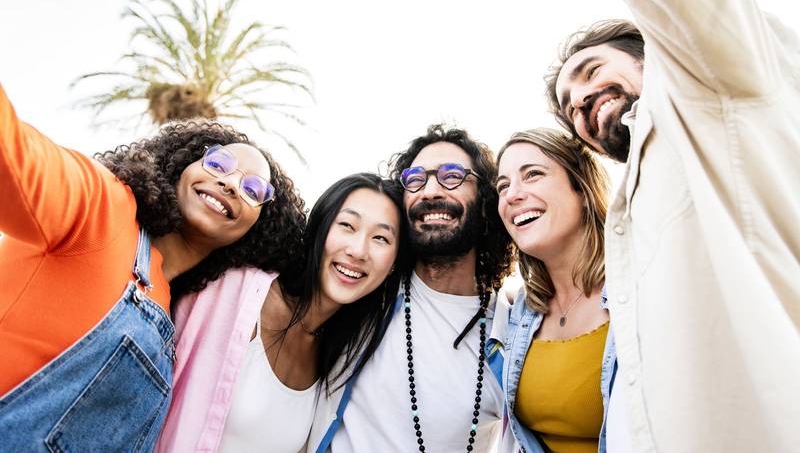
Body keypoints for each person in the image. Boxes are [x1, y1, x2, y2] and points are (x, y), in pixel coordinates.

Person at [546, 0, 800, 451]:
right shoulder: (635, 207)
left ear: (652, 52)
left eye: (592, 71)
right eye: (571, 108)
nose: (582, 103)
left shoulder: (711, 84)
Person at [0, 84, 305, 451]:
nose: (230, 183)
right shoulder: (101, 208)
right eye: (218, 163)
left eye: (253, 190)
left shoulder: (171, 317)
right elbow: (12, 150)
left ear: (257, 230)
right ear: (181, 164)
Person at [156, 173, 410, 453]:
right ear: (320, 228)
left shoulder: (341, 360)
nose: (358, 250)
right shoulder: (233, 290)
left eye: (381, 238)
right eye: (347, 225)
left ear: (394, 263)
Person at [308, 124, 514, 453]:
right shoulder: (366, 291)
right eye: (416, 179)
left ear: (487, 200)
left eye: (451, 176)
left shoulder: (508, 338)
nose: (430, 190)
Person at [495, 128, 613, 453]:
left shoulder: (639, 292)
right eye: (502, 186)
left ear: (582, 188)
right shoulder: (522, 310)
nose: (512, 195)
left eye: (533, 175)